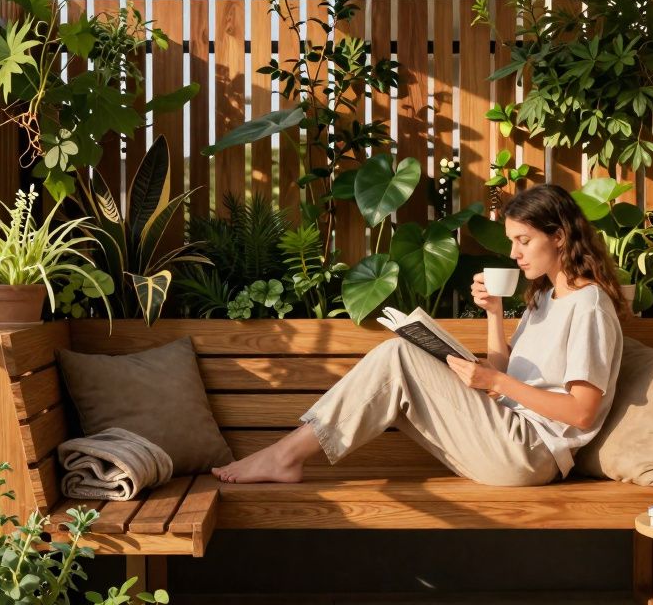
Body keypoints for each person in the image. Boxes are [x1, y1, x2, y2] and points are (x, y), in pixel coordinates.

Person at [210, 183, 626, 486]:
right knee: (405, 354)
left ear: (558, 236)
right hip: (506, 432)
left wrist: (495, 381)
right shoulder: (547, 298)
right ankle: (286, 455)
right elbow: (505, 372)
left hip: (531, 453)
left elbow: (581, 412)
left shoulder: (589, 306)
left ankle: (285, 456)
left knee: (397, 359)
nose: (514, 253)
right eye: (511, 242)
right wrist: (495, 316)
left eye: (523, 241)